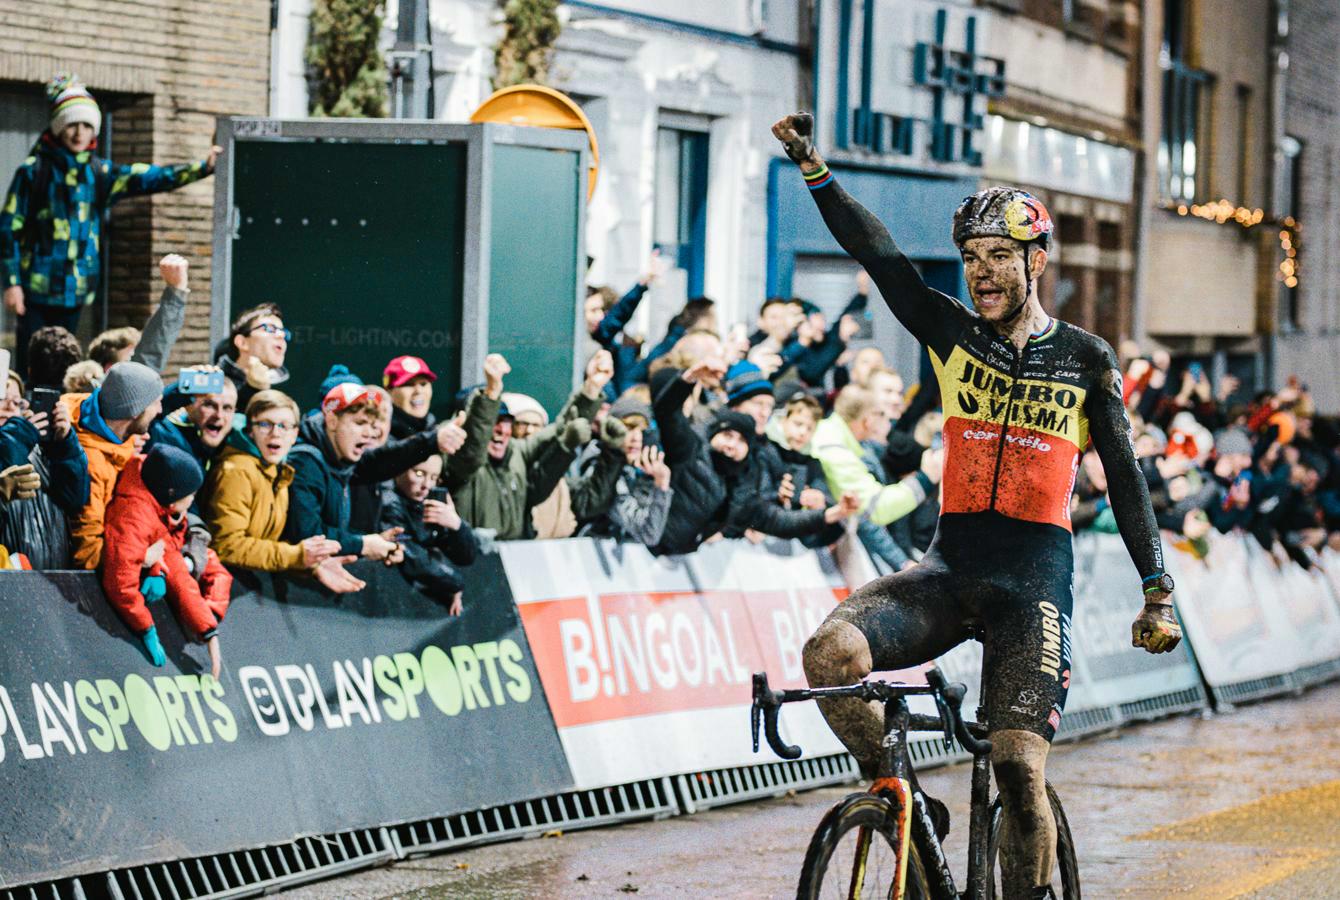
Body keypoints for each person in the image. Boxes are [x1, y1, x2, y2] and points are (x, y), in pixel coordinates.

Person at [772, 111, 1178, 899]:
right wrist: (814, 164)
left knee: (1018, 769)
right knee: (829, 656)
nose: (982, 272)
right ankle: (911, 812)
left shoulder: (1085, 359)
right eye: (970, 258)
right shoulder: (953, 334)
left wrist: (1156, 588)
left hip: (1033, 586)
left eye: (999, 257)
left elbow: (1126, 479)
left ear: (1036, 259)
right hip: (948, 569)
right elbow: (879, 257)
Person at [0, 75, 220, 375]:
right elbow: (8, 227)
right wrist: (12, 282)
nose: (79, 133)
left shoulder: (99, 172)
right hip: (35, 287)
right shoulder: (34, 171)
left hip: (76, 289)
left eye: (87, 125)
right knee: (32, 361)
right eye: (71, 125)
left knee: (65, 362)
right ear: (58, 127)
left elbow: (150, 176)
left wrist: (203, 168)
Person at [649, 360, 859, 556]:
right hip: (649, 549)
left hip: (679, 556)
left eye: (742, 441)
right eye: (728, 435)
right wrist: (689, 378)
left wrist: (834, 512)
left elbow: (779, 520)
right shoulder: (691, 448)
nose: (764, 413)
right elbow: (667, 413)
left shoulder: (746, 479)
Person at [203, 390, 363, 593]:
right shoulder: (237, 471)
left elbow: (268, 544)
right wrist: (297, 556)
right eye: (264, 424)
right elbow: (228, 545)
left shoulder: (278, 471)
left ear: (295, 434)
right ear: (250, 430)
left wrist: (314, 565)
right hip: (220, 590)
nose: (275, 433)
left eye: (284, 426)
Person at [102, 444, 232, 678]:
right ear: (171, 499)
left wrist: (207, 629)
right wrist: (146, 627)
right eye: (189, 495)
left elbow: (178, 573)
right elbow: (120, 582)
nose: (193, 500)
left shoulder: (153, 498)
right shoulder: (134, 518)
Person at [446, 352, 607, 541]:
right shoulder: (458, 461)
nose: (500, 430)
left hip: (515, 561)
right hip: (474, 564)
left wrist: (591, 389)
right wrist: (491, 392)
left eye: (506, 421)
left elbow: (562, 426)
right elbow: (474, 446)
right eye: (492, 422)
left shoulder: (517, 452)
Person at [64, 360, 165, 569]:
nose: (160, 410)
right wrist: (141, 557)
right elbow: (88, 554)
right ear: (135, 411)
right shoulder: (92, 466)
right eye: (155, 403)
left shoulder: (115, 431)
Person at [0, 369, 89, 568]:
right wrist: (17, 435)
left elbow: (75, 500)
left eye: (17, 401)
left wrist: (65, 444)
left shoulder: (37, 445)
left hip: (52, 581)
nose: (9, 406)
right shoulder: (20, 438)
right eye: (2, 398)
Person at [380, 454, 479, 613]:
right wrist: (455, 582)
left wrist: (457, 526)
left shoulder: (426, 504)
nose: (427, 485)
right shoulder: (388, 502)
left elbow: (467, 556)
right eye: (419, 474)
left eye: (434, 478)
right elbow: (411, 555)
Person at [578, 394, 674, 546]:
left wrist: (647, 480)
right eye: (629, 427)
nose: (637, 437)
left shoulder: (626, 467)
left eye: (641, 431)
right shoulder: (599, 466)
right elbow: (648, 533)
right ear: (611, 429)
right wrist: (661, 485)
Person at [216, 302, 290, 411]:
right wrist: (253, 390)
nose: (281, 335)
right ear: (242, 342)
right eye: (269, 328)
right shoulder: (214, 384)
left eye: (283, 331)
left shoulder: (286, 388)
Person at [385, 355, 438, 440]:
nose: (418, 391)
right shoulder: (378, 435)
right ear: (389, 392)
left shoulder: (434, 428)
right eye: (408, 384)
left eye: (423, 384)